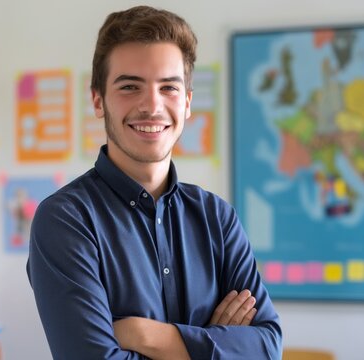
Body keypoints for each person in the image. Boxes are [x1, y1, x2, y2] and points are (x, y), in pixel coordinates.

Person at [27, 5, 282, 359]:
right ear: (98, 100)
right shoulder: (66, 221)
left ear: (188, 102)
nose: (152, 105)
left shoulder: (217, 218)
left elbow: (268, 347)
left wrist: (145, 336)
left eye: (169, 88)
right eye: (130, 86)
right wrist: (214, 344)